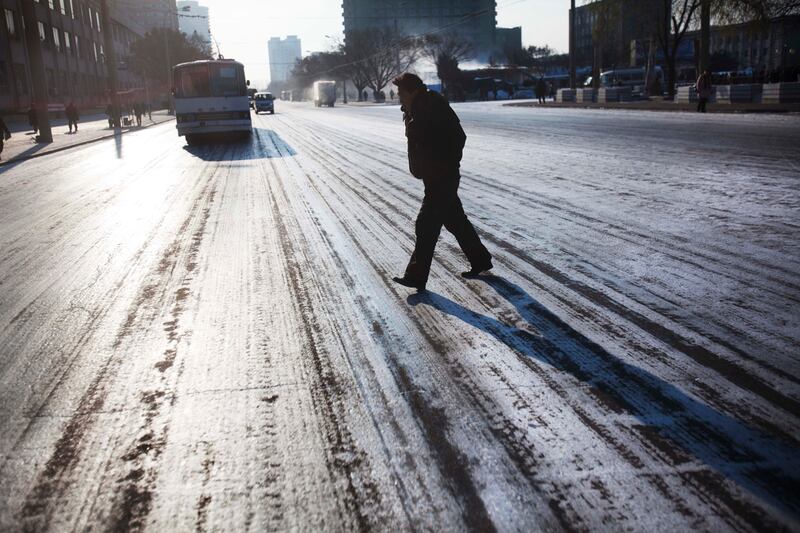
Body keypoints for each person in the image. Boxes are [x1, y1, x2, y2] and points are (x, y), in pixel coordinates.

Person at [390, 73, 492, 291]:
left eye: (400, 93)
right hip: (434, 176)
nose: (398, 97)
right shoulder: (415, 108)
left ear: (412, 90)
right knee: (455, 220)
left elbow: (458, 136)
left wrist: (444, 165)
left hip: (442, 176)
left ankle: (416, 276)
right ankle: (481, 260)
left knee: (426, 223)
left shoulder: (432, 105)